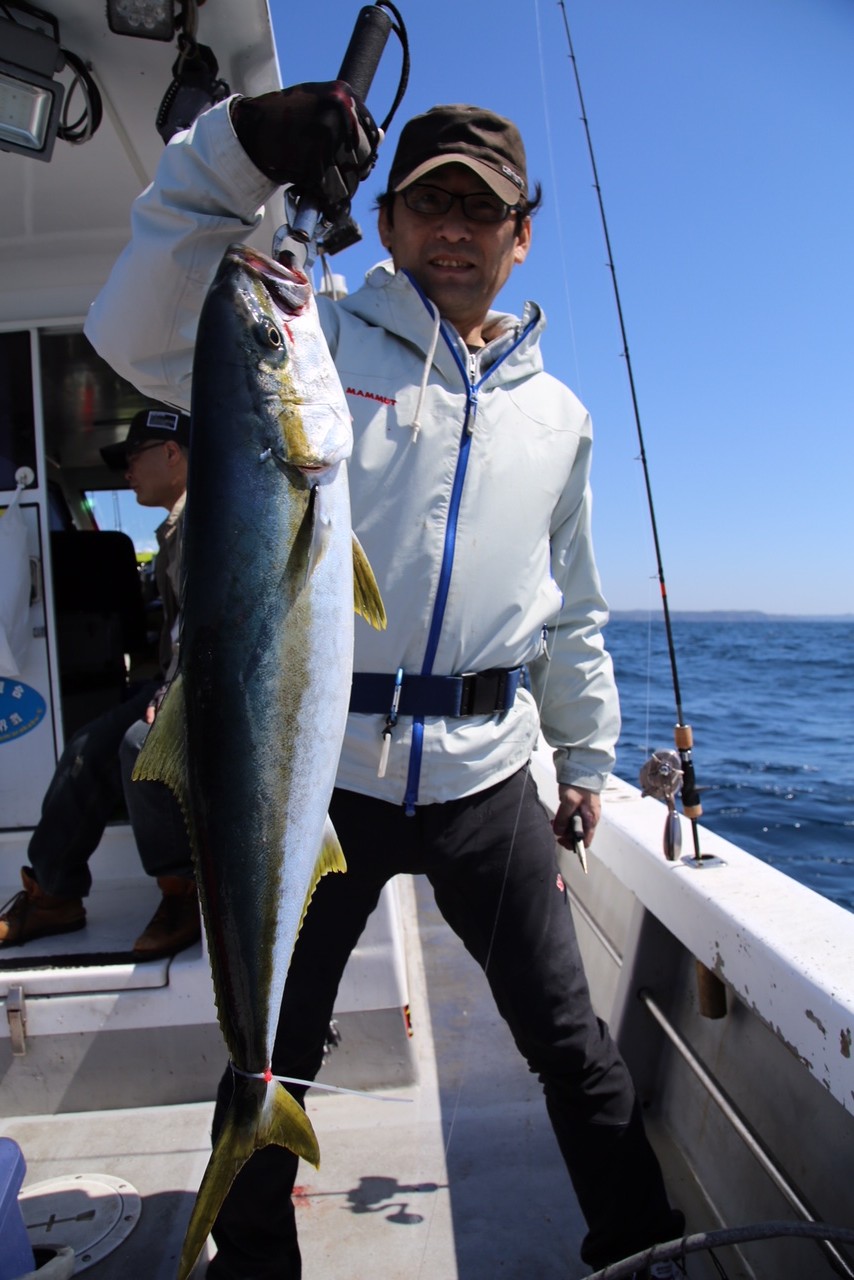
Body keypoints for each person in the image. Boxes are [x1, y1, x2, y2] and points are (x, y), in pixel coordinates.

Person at [84, 85, 685, 1278]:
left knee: (570, 1043)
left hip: (487, 775)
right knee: (273, 1047)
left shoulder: (558, 416)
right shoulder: (310, 331)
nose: (453, 228)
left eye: (481, 208)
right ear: (391, 222)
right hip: (324, 771)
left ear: (521, 234)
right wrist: (235, 150)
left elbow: (569, 605)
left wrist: (582, 757)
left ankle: (643, 1253)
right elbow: (137, 324)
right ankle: (251, 1262)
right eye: (427, 203)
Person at [0, 408, 200, 961]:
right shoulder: (176, 527)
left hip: (205, 692)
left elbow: (215, 629)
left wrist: (172, 691)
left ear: (172, 454)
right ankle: (53, 895)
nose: (127, 472)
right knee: (86, 749)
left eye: (134, 458)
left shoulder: (207, 522)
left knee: (140, 746)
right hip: (173, 684)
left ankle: (184, 892)